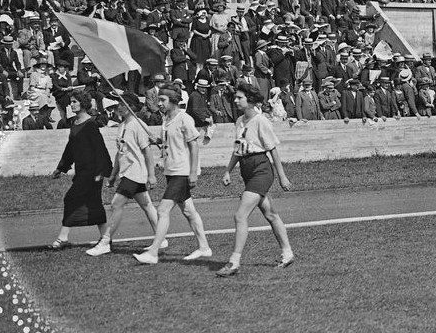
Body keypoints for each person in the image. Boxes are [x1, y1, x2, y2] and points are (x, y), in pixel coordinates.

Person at [215, 85, 296, 277]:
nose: (235, 101)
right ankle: (288, 253)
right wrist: (228, 170)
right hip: (246, 169)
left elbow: (273, 150)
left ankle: (234, 262)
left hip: (261, 168)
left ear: (250, 100)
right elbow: (238, 149)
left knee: (240, 215)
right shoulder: (239, 121)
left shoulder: (261, 121)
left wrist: (282, 176)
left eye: (239, 98)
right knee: (270, 214)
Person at [134, 86, 213, 264]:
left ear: (173, 101)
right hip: (171, 170)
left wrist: (193, 173)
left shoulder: (184, 118)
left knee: (162, 210)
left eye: (162, 100)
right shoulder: (166, 119)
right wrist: (159, 141)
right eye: (159, 100)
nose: (159, 103)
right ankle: (204, 247)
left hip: (182, 172)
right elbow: (172, 141)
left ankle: (153, 252)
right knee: (188, 211)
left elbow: (193, 146)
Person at [86, 93, 164, 257]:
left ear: (130, 107)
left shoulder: (138, 125)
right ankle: (161, 238)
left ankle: (105, 242)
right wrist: (113, 175)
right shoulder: (121, 126)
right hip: (125, 172)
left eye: (121, 104)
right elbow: (119, 153)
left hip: (135, 173)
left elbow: (147, 152)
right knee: (146, 205)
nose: (117, 107)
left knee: (116, 204)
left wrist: (152, 175)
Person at [48, 92, 110, 249]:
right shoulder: (74, 123)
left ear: (82, 103)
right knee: (94, 204)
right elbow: (70, 149)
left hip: (93, 172)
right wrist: (60, 168)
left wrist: (100, 173)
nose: (71, 105)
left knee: (71, 199)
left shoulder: (91, 124)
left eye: (74, 102)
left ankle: (63, 238)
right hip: (81, 171)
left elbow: (100, 149)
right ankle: (106, 237)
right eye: (71, 102)